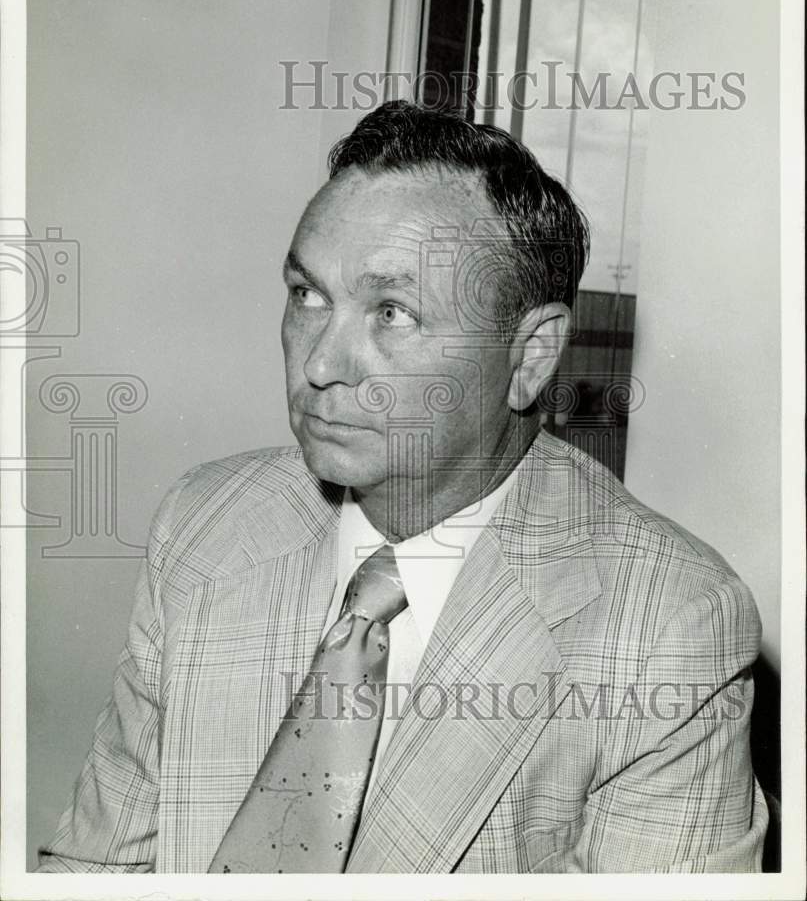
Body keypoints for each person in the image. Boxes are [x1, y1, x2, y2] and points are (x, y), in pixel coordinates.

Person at [37, 101, 767, 874]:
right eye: (307, 295)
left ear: (530, 355)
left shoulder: (668, 626)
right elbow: (97, 868)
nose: (319, 364)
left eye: (391, 312)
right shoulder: (208, 521)